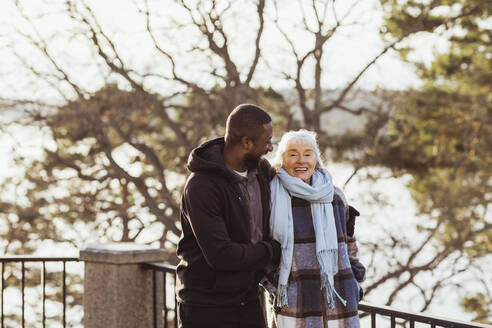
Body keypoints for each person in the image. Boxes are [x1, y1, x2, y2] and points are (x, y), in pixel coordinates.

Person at [176, 104, 282, 328]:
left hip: (249, 301)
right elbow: (221, 255)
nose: (271, 147)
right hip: (206, 307)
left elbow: (294, 191)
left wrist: (335, 206)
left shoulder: (261, 170)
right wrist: (271, 250)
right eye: (267, 141)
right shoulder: (201, 187)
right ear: (246, 142)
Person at [268, 129, 365, 328]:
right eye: (293, 154)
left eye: (307, 153)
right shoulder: (271, 196)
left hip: (340, 297)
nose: (301, 160)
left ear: (316, 158)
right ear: (282, 159)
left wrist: (355, 281)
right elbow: (259, 245)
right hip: (293, 299)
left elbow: (349, 241)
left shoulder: (334, 195)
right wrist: (272, 286)